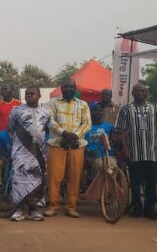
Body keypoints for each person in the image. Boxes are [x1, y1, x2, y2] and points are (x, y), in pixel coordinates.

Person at [116, 83, 157, 219]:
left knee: (152, 182)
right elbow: (121, 131)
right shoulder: (126, 109)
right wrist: (125, 149)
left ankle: (150, 209)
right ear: (132, 93)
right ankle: (137, 208)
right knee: (135, 182)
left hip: (152, 152)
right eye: (136, 91)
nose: (139, 93)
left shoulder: (154, 108)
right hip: (134, 152)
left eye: (142, 91)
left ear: (146, 93)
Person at [45, 79, 91, 218]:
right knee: (54, 177)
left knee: (75, 176)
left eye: (71, 87)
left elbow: (87, 123)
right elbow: (50, 121)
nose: (69, 89)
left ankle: (71, 207)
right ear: (61, 88)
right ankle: (53, 206)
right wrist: (64, 134)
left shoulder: (83, 104)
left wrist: (74, 136)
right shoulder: (52, 103)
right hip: (57, 144)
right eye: (66, 86)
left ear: (75, 88)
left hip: (77, 145)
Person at [6, 87, 50, 222]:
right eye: (27, 94)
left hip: (39, 153)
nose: (29, 96)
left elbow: (48, 129)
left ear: (39, 95)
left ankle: (33, 209)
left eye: (32, 94)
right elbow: (10, 129)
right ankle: (18, 209)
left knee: (37, 180)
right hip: (21, 152)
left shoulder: (46, 112)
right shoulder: (16, 111)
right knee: (19, 180)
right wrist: (21, 144)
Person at [86, 105, 116, 180]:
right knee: (99, 165)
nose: (98, 113)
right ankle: (97, 187)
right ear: (90, 112)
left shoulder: (109, 127)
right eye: (95, 110)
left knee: (113, 166)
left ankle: (111, 187)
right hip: (93, 156)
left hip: (108, 155)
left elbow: (114, 140)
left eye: (100, 111)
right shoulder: (86, 127)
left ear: (102, 113)